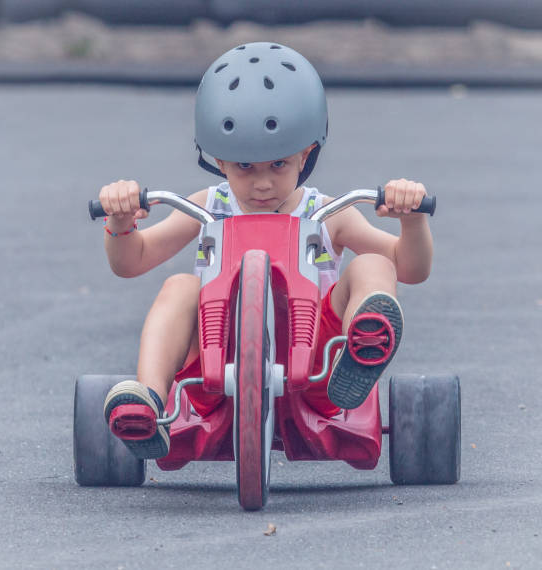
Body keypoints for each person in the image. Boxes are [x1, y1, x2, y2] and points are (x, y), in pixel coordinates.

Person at [98, 42, 433, 460]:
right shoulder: (207, 208)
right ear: (218, 161)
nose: (262, 184)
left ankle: (365, 343)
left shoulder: (328, 214)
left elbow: (410, 267)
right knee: (180, 287)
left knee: (374, 264)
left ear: (306, 154)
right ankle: (148, 399)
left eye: (278, 165)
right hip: (212, 370)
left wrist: (412, 219)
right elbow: (132, 262)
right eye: (244, 167)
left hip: (320, 370)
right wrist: (121, 221)